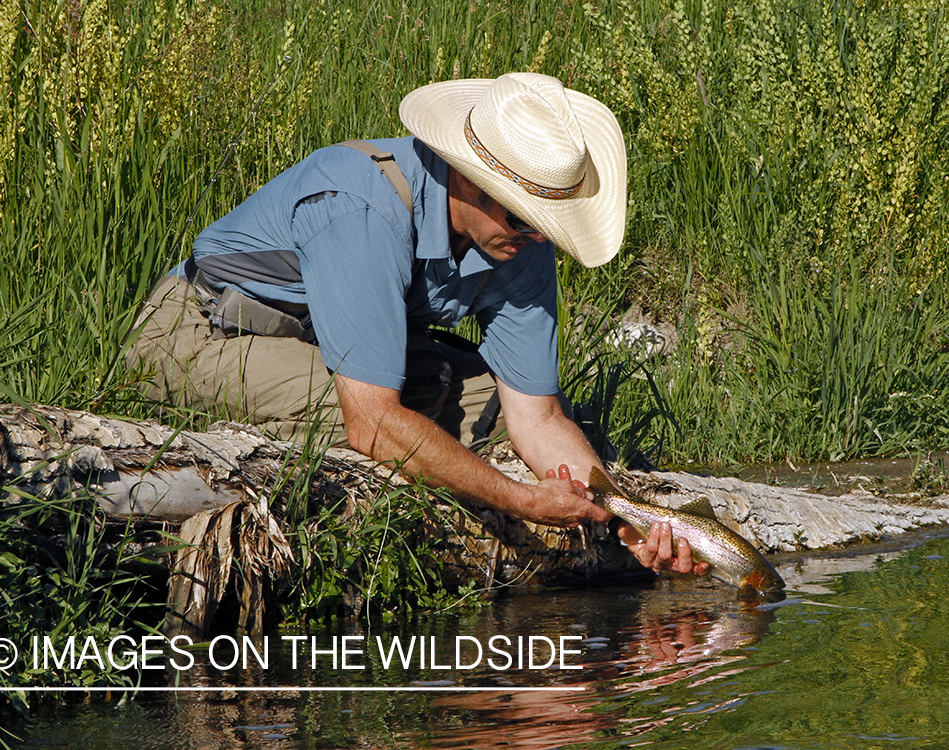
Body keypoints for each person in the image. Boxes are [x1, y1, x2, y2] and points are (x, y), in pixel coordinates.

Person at [127, 72, 708, 577]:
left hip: (335, 346)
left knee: (488, 409)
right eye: (523, 217)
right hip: (199, 332)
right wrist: (521, 500)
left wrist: (622, 516)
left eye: (546, 224)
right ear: (468, 178)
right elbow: (374, 424)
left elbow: (538, 415)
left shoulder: (519, 244)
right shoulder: (363, 203)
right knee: (372, 421)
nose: (535, 237)